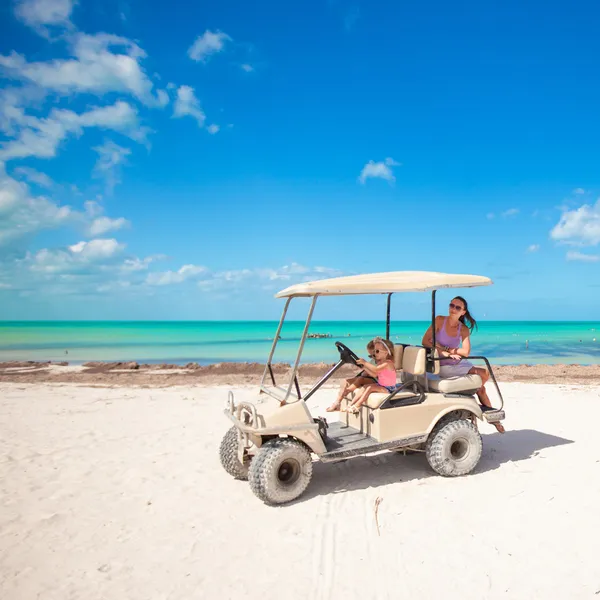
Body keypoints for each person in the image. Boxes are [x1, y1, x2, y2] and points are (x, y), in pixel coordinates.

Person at [421, 296, 505, 433]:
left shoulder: (463, 329)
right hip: (441, 363)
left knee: (483, 379)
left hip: (456, 362)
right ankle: (492, 418)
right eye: (451, 305)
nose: (453, 309)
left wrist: (447, 349)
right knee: (481, 382)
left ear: (463, 312)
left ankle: (491, 417)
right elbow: (425, 341)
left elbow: (465, 351)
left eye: (457, 307)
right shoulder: (439, 320)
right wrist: (446, 352)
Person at [344, 337, 399, 414]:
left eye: (377, 351)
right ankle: (351, 404)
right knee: (364, 387)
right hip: (381, 385)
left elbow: (376, 370)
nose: (374, 354)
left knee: (370, 388)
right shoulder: (380, 363)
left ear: (386, 352)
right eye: (374, 352)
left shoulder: (388, 363)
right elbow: (374, 374)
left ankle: (357, 405)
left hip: (389, 389)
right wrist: (364, 367)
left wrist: (365, 363)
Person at [326, 339, 377, 412]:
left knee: (360, 379)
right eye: (370, 356)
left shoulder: (381, 362)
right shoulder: (373, 360)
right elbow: (365, 371)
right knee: (345, 381)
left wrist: (365, 367)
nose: (372, 357)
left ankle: (347, 391)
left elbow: (374, 373)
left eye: (374, 355)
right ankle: (337, 402)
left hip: (375, 380)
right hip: (367, 378)